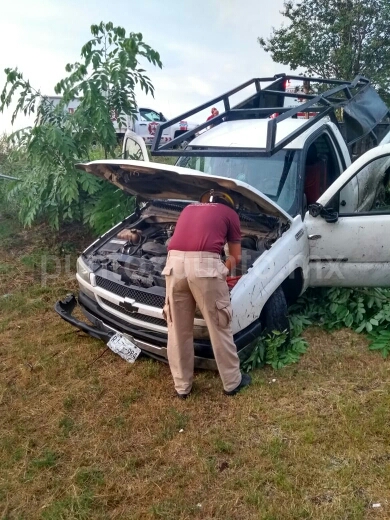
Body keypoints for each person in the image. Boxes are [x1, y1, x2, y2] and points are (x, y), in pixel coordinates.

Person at [161, 189, 251, 398]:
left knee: (177, 328)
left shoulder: (188, 209)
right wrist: (222, 270)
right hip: (204, 266)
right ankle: (232, 382)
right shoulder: (230, 214)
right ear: (229, 204)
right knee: (219, 324)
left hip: (173, 265)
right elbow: (235, 256)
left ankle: (182, 387)